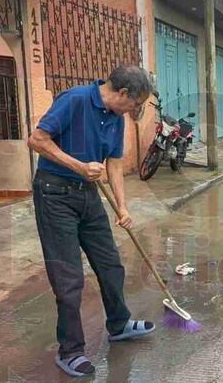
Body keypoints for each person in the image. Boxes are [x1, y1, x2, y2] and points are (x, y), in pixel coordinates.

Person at [28, 65, 154, 377]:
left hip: (89, 196)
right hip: (54, 192)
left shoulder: (116, 117)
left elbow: (113, 164)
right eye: (135, 104)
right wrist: (78, 166)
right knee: (69, 276)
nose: (135, 110)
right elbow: (37, 139)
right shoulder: (75, 99)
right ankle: (69, 351)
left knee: (111, 264)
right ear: (123, 93)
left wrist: (122, 207)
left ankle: (119, 323)